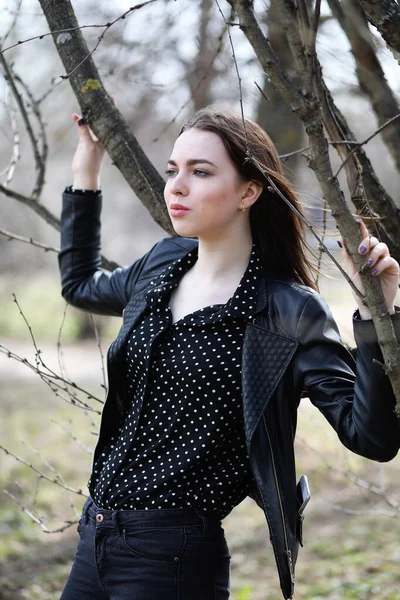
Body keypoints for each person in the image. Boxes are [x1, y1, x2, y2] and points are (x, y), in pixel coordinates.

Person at [58, 107, 400, 600]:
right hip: (95, 535)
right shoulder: (162, 264)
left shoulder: (287, 309)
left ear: (248, 192)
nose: (176, 186)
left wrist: (377, 313)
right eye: (173, 170)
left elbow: (372, 437)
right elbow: (79, 284)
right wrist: (85, 167)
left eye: (200, 172)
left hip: (171, 558)